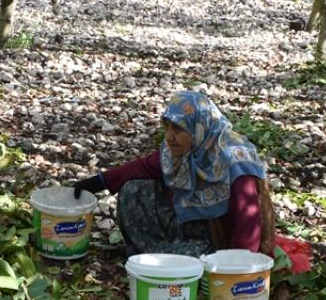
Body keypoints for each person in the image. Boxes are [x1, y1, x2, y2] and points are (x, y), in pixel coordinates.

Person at [72, 90, 276, 258]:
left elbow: (247, 224)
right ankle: (153, 250)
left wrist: (234, 269)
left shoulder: (234, 161)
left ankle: (160, 255)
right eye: (167, 127)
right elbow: (144, 167)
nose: (169, 137)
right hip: (185, 220)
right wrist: (95, 183)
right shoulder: (182, 150)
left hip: (218, 237)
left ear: (198, 128)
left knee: (192, 263)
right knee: (133, 190)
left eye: (178, 129)